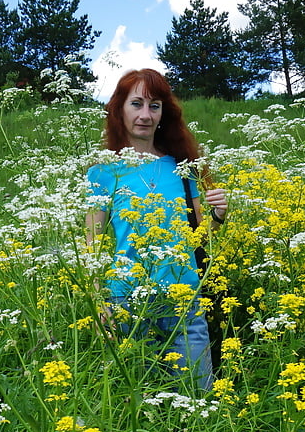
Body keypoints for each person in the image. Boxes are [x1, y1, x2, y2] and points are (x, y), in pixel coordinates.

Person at [86, 69, 228, 390]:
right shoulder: (102, 173)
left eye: (155, 106)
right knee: (136, 405)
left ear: (164, 113)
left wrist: (218, 215)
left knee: (199, 400)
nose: (145, 115)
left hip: (183, 302)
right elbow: (91, 245)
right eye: (136, 104)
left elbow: (200, 237)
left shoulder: (182, 168)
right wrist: (98, 303)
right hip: (126, 303)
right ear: (120, 109)